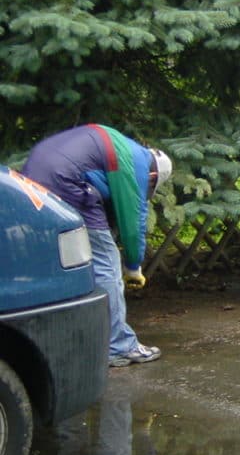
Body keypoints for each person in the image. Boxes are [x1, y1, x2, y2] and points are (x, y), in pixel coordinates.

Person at [22, 124, 172, 367]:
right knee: (107, 264)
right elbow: (133, 225)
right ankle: (119, 347)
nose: (148, 189)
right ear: (154, 177)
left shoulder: (121, 147)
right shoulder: (137, 164)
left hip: (30, 180)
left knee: (65, 264)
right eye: (151, 187)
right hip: (66, 183)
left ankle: (64, 339)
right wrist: (133, 266)